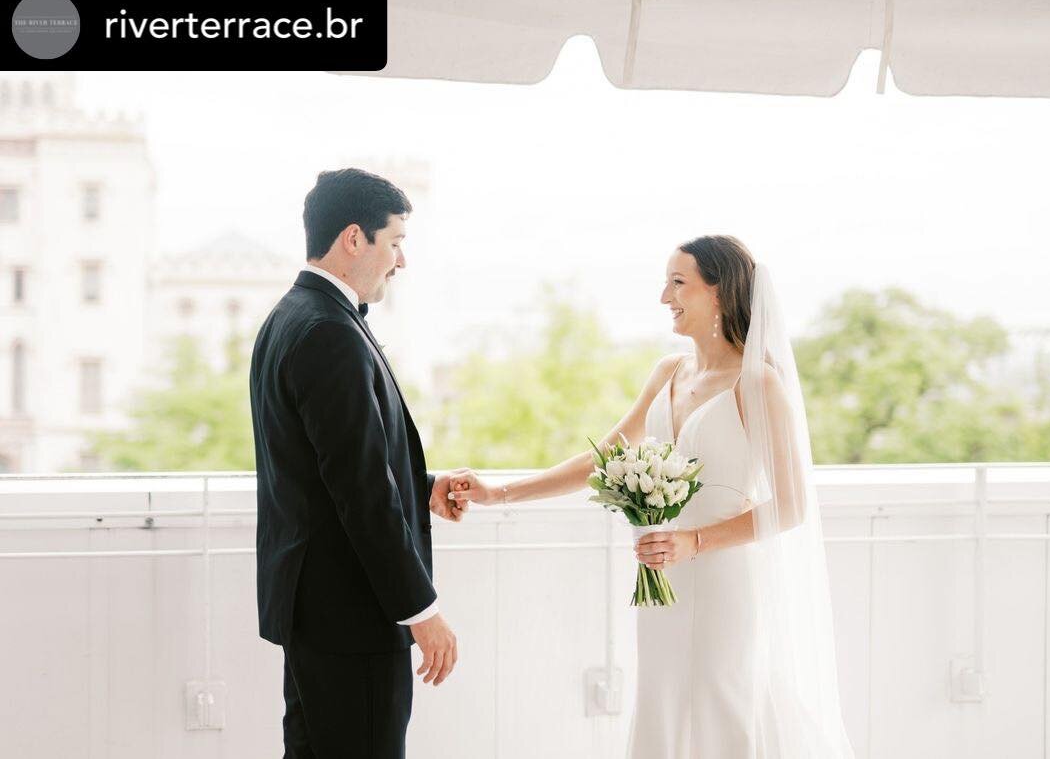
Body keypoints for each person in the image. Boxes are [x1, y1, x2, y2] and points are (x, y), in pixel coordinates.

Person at [450, 235, 855, 758]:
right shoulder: (669, 372)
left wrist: (696, 541)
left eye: (678, 282)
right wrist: (496, 493)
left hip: (722, 580)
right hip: (660, 578)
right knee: (661, 700)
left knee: (721, 700)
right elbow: (602, 459)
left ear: (720, 292)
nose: (665, 296)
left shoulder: (758, 384)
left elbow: (793, 504)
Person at [249, 168, 469, 758]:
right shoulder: (329, 332)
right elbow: (361, 489)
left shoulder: (291, 316)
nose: (401, 261)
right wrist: (421, 609)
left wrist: (422, 485)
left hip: (316, 613)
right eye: (394, 242)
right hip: (353, 617)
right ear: (354, 238)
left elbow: (330, 464)